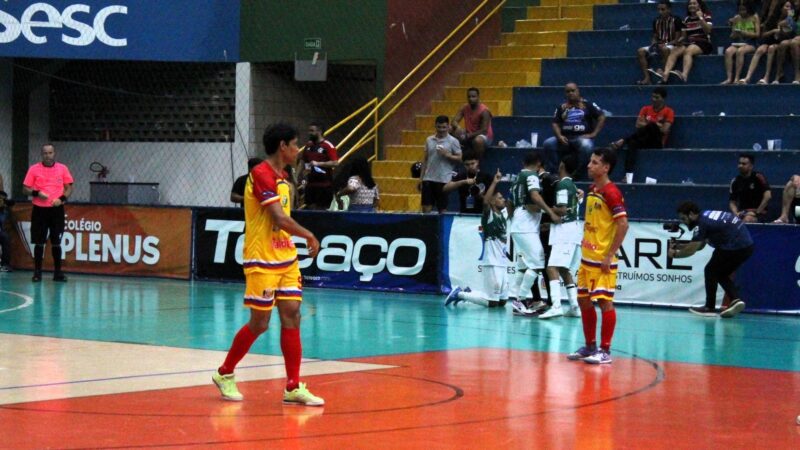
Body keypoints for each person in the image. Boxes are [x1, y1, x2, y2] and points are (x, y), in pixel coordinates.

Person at [212, 123, 324, 406]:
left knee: (292, 315)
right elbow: (278, 218)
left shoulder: (285, 177)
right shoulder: (260, 174)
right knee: (260, 323)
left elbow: (284, 222)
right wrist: (309, 235)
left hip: (285, 257)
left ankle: (293, 386)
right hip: (261, 258)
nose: (298, 150)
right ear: (283, 146)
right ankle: (225, 373)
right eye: (295, 145)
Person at [567, 148, 628, 365]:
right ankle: (590, 345)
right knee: (583, 300)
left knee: (604, 302)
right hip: (586, 258)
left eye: (594, 163)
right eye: (590, 161)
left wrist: (609, 254)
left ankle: (605, 350)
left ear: (606, 167)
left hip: (603, 260)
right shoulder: (592, 189)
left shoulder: (611, 193)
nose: (589, 165)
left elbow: (623, 224)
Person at [669, 201, 753, 318]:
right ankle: (736, 300)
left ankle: (709, 307)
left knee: (710, 270)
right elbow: (700, 245)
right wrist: (678, 246)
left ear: (692, 214)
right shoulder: (705, 216)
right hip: (746, 246)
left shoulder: (701, 224)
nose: (684, 222)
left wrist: (675, 255)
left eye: (684, 219)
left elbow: (691, 250)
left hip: (734, 245)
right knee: (721, 273)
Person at [445, 169, 510, 308]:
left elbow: (510, 204)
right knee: (492, 303)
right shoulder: (489, 215)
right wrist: (494, 182)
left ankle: (469, 292)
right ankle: (460, 294)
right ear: (492, 201)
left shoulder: (503, 215)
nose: (503, 199)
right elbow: (486, 202)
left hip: (503, 263)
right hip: (492, 262)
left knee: (503, 302)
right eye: (499, 198)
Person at [507, 152, 559, 316]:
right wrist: (550, 212)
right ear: (538, 163)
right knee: (537, 264)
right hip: (526, 226)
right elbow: (534, 198)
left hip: (518, 224)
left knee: (523, 266)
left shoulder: (516, 179)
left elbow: (509, 203)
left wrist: (512, 219)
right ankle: (520, 300)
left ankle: (517, 299)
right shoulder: (532, 176)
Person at [539, 156, 583, 319]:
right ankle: (574, 306)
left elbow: (563, 210)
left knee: (551, 267)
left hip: (565, 232)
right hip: (569, 230)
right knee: (564, 270)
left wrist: (542, 208)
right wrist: (550, 225)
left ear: (562, 165)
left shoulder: (563, 184)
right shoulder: (572, 185)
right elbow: (570, 210)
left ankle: (556, 306)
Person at [22, 144, 73, 282]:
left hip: (56, 211)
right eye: (45, 153)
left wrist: (61, 199)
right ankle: (37, 273)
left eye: (50, 153)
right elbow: (25, 189)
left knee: (56, 242)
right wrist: (36, 193)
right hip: (39, 210)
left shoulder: (62, 168)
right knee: (39, 242)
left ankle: (58, 273)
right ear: (41, 154)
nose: (48, 155)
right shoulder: (34, 169)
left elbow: (68, 188)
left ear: (54, 153)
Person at [609, 87, 675, 183]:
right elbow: (638, 124)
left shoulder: (669, 111)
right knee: (632, 143)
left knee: (652, 126)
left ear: (663, 99)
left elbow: (664, 130)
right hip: (644, 139)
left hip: (657, 142)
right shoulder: (645, 109)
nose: (653, 99)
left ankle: (623, 140)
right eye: (652, 97)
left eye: (657, 97)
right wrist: (658, 124)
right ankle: (628, 176)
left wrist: (651, 123)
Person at [542, 83, 605, 177]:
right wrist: (559, 136)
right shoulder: (561, 107)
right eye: (568, 91)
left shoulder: (588, 104)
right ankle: (555, 173)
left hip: (581, 137)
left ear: (578, 91)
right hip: (565, 138)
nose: (570, 93)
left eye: (573, 91)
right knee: (548, 143)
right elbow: (555, 123)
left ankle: (578, 174)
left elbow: (602, 117)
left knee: (586, 146)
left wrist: (593, 134)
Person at [740, 1, 795, 84]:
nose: (788, 9)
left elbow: (791, 34)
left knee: (771, 49)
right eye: (786, 7)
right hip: (770, 40)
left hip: (781, 42)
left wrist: (785, 26)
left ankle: (766, 77)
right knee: (760, 50)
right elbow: (763, 34)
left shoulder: (791, 19)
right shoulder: (774, 18)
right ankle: (747, 77)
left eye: (790, 8)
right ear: (781, 8)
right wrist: (773, 31)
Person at [661, 0, 713, 84]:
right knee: (674, 51)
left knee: (688, 50)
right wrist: (678, 41)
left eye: (694, 3)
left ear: (699, 5)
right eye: (690, 4)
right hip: (690, 42)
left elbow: (708, 31)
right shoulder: (687, 19)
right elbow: (684, 36)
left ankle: (684, 75)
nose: (691, 5)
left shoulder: (706, 15)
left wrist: (700, 17)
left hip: (703, 42)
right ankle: (665, 75)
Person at [421, 115, 462, 214]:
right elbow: (425, 159)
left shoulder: (453, 141)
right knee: (426, 208)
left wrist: (447, 154)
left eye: (444, 127)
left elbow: (460, 159)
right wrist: (421, 178)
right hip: (429, 178)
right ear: (435, 126)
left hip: (444, 179)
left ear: (448, 127)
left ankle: (441, 229)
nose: (441, 130)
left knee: (442, 209)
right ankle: (427, 228)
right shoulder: (429, 140)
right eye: (439, 127)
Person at [637, 0, 684, 85]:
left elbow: (677, 39)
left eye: (663, 9)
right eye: (659, 9)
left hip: (672, 45)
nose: (660, 12)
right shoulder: (656, 21)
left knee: (665, 49)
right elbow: (655, 37)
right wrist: (653, 45)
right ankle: (647, 78)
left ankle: (664, 76)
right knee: (640, 51)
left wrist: (665, 44)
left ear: (669, 10)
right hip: (659, 44)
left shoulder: (676, 20)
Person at [299, 122, 338, 210]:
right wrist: (300, 175)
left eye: (312, 131)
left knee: (322, 211)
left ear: (319, 131)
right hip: (310, 185)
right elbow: (303, 161)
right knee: (310, 209)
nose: (309, 133)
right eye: (309, 131)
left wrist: (319, 164)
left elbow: (335, 162)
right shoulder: (308, 145)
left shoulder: (328, 146)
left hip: (324, 185)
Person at [721, 2, 761, 85]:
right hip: (738, 42)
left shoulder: (754, 17)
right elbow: (732, 36)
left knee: (740, 52)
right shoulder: (736, 18)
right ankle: (729, 78)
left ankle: (737, 78)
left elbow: (757, 34)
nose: (742, 12)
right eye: (740, 10)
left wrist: (745, 33)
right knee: (728, 51)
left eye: (744, 10)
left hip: (751, 42)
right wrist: (735, 34)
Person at [450, 87, 494, 160]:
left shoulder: (484, 111)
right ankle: (455, 158)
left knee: (478, 140)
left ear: (478, 97)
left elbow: (484, 131)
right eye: (469, 97)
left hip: (483, 137)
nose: (471, 99)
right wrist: (458, 127)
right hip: (468, 133)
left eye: (473, 96)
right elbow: (454, 121)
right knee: (450, 129)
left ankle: (478, 163)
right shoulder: (465, 107)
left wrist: (468, 136)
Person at [729, 153, 771, 223]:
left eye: (744, 164)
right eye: (739, 163)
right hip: (743, 212)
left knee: (747, 219)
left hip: (759, 212)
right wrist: (736, 213)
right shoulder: (735, 181)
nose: (740, 166)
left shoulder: (758, 177)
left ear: (751, 166)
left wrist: (756, 213)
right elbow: (732, 202)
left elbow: (768, 196)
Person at [0, 190, 13, 272]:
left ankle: (5, 264)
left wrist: (4, 206)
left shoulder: (5, 210)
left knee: (5, 237)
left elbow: (12, 202)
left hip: (1, 232)